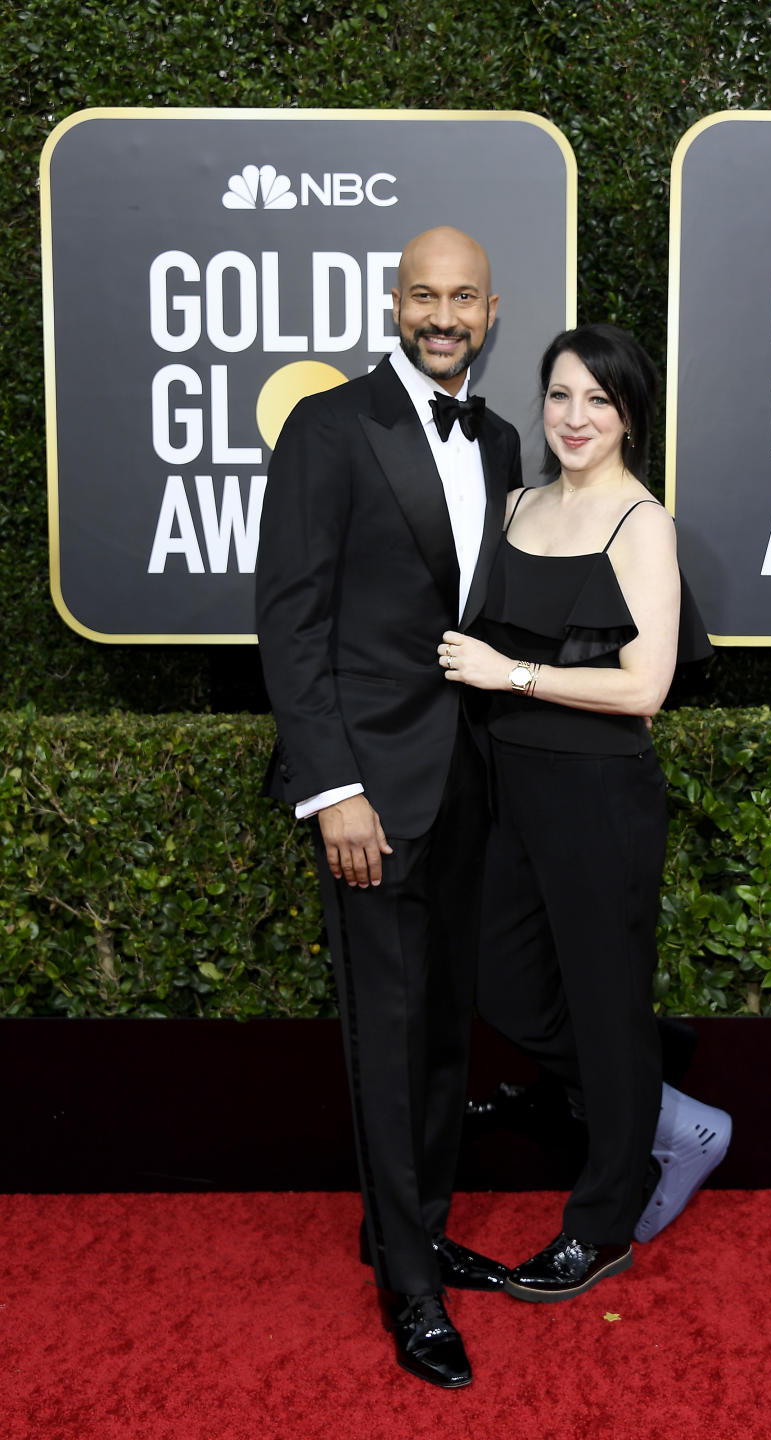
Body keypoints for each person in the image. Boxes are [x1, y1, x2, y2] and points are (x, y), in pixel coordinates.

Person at [255, 226, 521, 1389]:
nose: (444, 315)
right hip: (369, 790)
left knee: (445, 1028)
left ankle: (407, 1227)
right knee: (389, 1030)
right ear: (393, 303)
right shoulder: (329, 426)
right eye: (425, 295)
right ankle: (407, 1292)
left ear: (492, 311)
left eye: (464, 297)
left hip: (471, 782)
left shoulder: (506, 439)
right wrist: (335, 790)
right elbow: (291, 618)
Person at [438, 322, 714, 1300]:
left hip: (601, 796)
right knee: (506, 988)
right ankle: (658, 1097)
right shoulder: (516, 503)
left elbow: (645, 688)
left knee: (603, 1008)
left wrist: (509, 672)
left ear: (630, 411)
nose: (575, 416)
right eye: (560, 395)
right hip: (510, 787)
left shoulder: (644, 524)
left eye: (598, 399)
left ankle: (602, 1225)